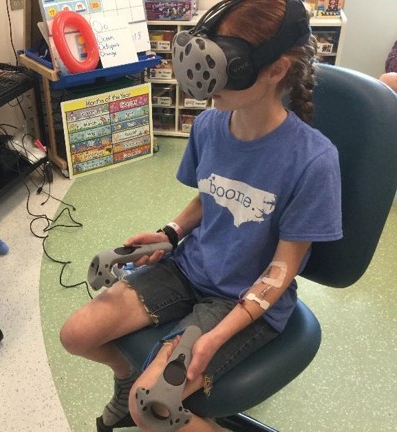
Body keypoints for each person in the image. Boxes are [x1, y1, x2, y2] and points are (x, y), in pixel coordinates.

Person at [60, 0, 343, 431]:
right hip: (189, 269)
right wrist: (169, 234)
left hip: (246, 298)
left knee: (151, 409)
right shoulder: (210, 125)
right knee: (76, 334)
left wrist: (216, 337)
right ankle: (126, 378)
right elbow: (209, 195)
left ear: (275, 70)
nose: (205, 83)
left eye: (227, 67)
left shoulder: (313, 160)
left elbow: (283, 270)